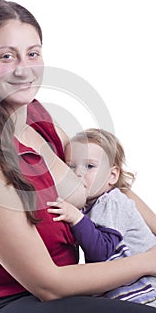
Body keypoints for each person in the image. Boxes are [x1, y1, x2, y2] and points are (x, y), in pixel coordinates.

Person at [0, 0, 156, 313]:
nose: (23, 68)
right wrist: (147, 262)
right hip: (7, 303)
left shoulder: (40, 120)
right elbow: (48, 284)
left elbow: (105, 183)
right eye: (7, 56)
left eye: (33, 53)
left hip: (68, 291)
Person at [47, 128, 156, 307]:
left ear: (112, 175)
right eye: (70, 166)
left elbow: (101, 252)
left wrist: (76, 219)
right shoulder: (90, 205)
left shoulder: (111, 202)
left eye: (89, 166)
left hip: (145, 294)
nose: (78, 173)